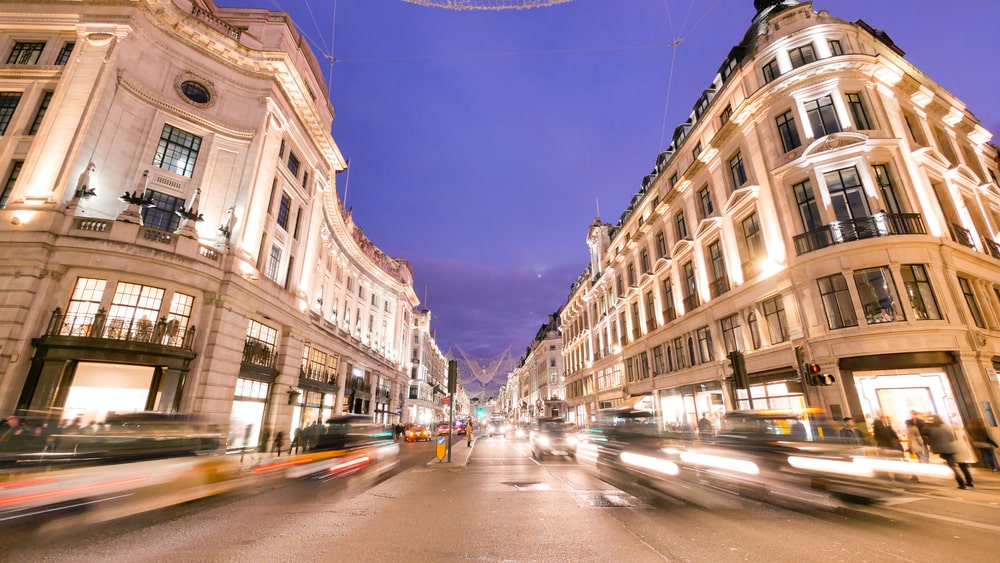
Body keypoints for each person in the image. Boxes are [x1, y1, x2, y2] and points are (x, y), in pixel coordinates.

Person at [926, 416, 973, 489]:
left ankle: (961, 483)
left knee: (953, 466)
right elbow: (951, 437)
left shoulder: (936, 429)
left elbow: (931, 441)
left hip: (948, 449)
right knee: (962, 465)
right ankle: (969, 481)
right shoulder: (946, 427)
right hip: (955, 447)